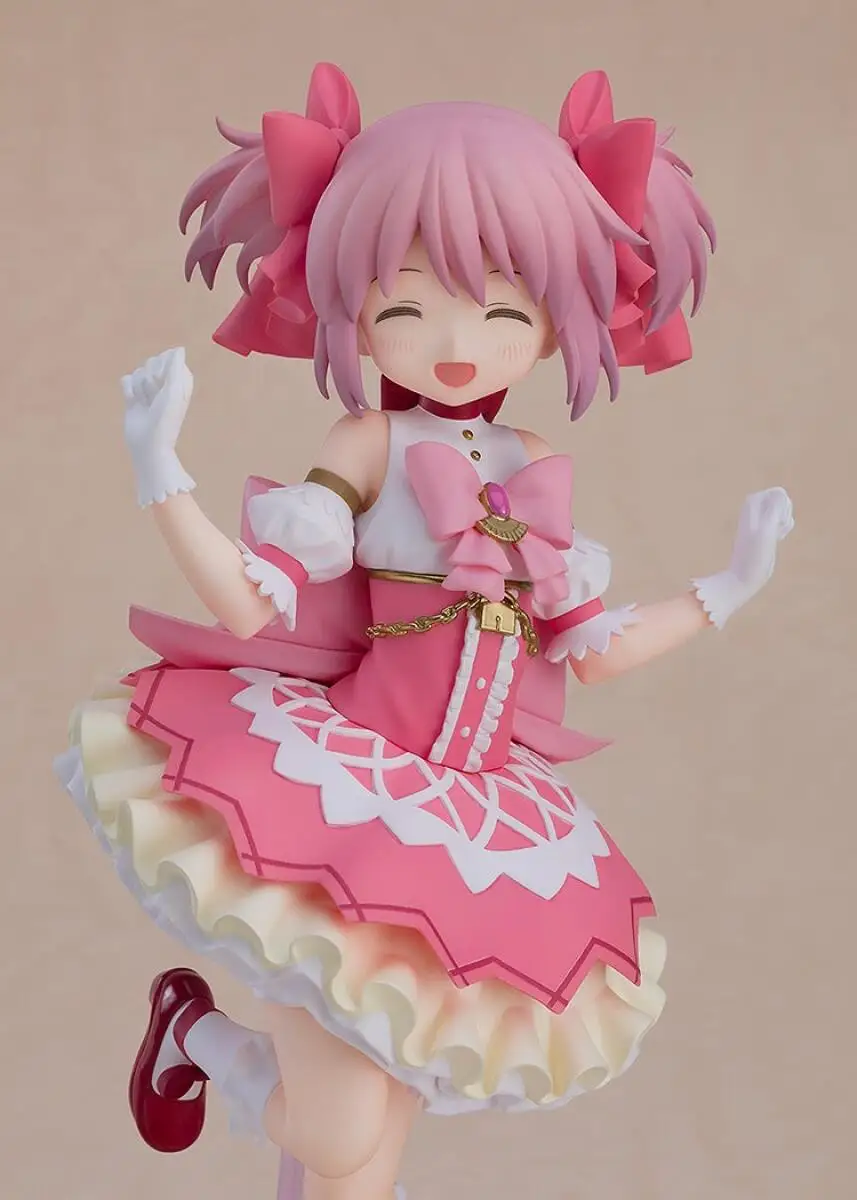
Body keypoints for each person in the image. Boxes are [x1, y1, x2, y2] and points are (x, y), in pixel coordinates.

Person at [55, 63, 794, 1200]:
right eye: (403, 308)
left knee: (364, 1159)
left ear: (556, 319)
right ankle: (191, 1032)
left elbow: (589, 648)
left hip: (477, 825)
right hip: (347, 790)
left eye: (504, 311)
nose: (456, 341)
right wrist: (162, 473)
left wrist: (723, 588)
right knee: (341, 1136)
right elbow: (251, 601)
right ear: (352, 309)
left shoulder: (534, 465)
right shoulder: (370, 446)